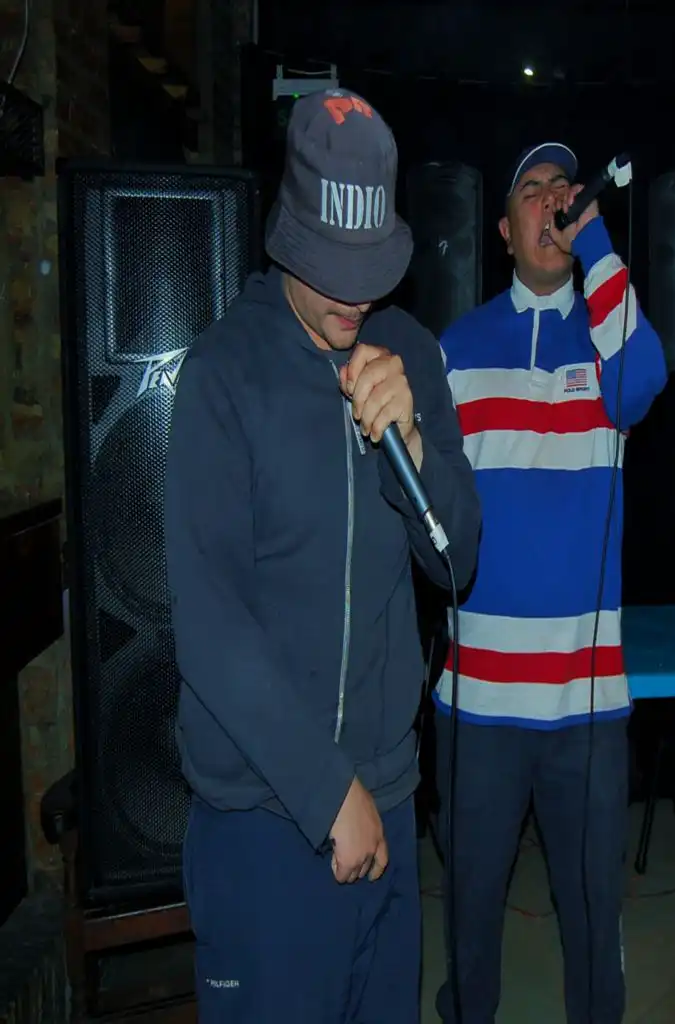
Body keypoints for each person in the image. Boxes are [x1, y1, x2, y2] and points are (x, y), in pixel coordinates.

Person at [164, 88, 481, 1023]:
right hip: (263, 816)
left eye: (369, 268)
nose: (353, 296)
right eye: (329, 266)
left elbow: (459, 561)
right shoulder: (224, 373)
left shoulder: (409, 353)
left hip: (390, 798)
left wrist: (412, 446)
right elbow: (209, 625)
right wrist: (325, 789)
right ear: (286, 232)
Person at [433, 142, 668, 1024]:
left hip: (585, 707)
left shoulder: (610, 338)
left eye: (561, 190)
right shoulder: (457, 349)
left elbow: (646, 378)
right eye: (530, 192)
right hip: (478, 705)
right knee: (469, 922)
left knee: (593, 923)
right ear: (503, 229)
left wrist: (596, 241)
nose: (550, 202)